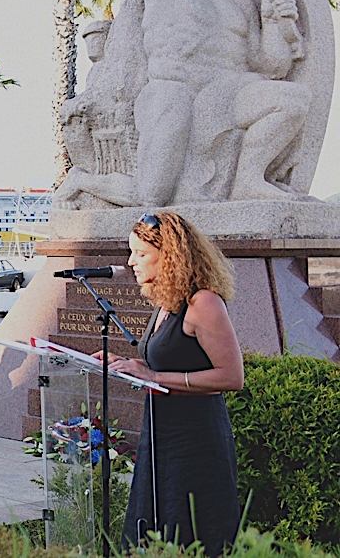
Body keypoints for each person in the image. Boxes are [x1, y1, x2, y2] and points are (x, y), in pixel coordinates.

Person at [101, 211, 243, 555]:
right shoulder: (167, 302)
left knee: (190, 531)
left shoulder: (203, 302)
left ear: (170, 256)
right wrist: (131, 365)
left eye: (141, 254)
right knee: (156, 527)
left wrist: (155, 376)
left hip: (196, 443)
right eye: (131, 252)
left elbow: (231, 376)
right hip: (161, 436)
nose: (131, 262)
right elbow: (169, 360)